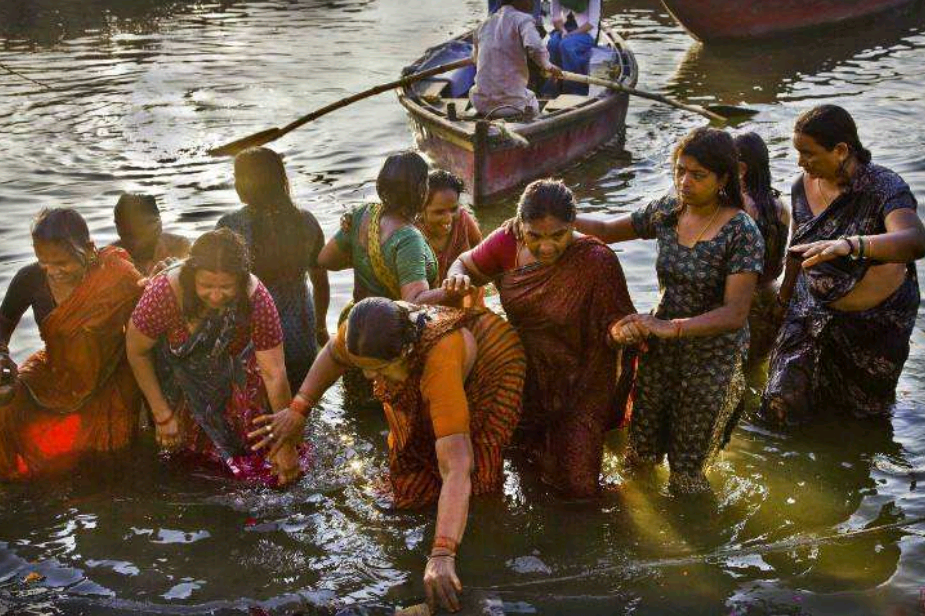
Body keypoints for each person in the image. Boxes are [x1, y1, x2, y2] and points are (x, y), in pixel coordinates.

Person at [249, 297, 525, 613]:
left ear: (405, 352)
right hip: (420, 364)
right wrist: (299, 408)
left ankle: (479, 564)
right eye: (363, 367)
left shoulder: (440, 359)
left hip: (491, 362)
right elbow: (333, 354)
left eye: (376, 370)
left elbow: (457, 466)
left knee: (476, 476)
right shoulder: (365, 328)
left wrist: (443, 553)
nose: (368, 379)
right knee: (409, 476)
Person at [577, 127, 765, 493]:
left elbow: (735, 313)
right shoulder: (668, 210)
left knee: (686, 472)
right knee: (640, 455)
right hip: (660, 352)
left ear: (723, 178)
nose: (685, 182)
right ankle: (637, 537)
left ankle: (699, 542)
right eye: (680, 171)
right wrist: (554, 219)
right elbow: (605, 229)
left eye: (698, 175)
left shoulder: (742, 232)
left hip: (713, 359)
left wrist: (673, 327)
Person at [444, 179, 636, 496]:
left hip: (583, 380)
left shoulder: (596, 260)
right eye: (535, 236)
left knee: (578, 486)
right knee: (525, 464)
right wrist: (457, 277)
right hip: (526, 374)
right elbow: (465, 262)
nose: (546, 247)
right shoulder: (507, 241)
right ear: (521, 226)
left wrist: (620, 330)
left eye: (558, 236)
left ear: (573, 225)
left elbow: (616, 321)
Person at [762, 105, 925, 421]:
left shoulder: (884, 188)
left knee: (859, 418)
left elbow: (915, 240)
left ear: (840, 150)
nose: (800, 162)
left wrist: (849, 245)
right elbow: (797, 248)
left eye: (808, 153)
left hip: (873, 328)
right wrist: (782, 302)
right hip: (808, 313)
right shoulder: (802, 185)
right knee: (781, 405)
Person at [125, 229, 303, 487]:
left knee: (250, 451)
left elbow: (274, 373)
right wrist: (161, 413)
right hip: (174, 372)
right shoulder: (165, 292)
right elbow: (136, 350)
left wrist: (285, 443)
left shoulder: (257, 298)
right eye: (206, 286)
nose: (216, 296)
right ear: (191, 276)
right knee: (181, 458)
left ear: (240, 281)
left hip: (230, 367)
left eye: (226, 287)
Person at [0, 208, 142, 480]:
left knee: (106, 464)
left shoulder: (118, 275)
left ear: (88, 249)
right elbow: (3, 325)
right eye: (44, 262)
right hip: (55, 373)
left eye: (61, 263)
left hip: (107, 379)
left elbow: (150, 325)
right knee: (5, 413)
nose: (52, 272)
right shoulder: (30, 279)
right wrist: (2, 355)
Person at [216, 147, 330, 392]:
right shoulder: (306, 221)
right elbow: (320, 281)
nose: (234, 183)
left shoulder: (229, 226)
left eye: (237, 177)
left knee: (257, 410)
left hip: (256, 336)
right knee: (301, 407)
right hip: (300, 331)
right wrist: (320, 328)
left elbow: (218, 287)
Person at [733, 132, 791, 371]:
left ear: (741, 168)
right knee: (757, 369)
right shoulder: (781, 206)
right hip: (770, 296)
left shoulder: (736, 206)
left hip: (740, 300)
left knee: (733, 373)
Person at [470, 0, 563, 119]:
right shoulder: (523, 20)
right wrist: (548, 66)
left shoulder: (483, 24)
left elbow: (475, 59)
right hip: (513, 106)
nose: (534, 3)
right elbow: (534, 46)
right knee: (532, 100)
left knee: (474, 90)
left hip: (481, 104)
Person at [415, 170, 484, 308]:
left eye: (453, 209)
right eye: (439, 212)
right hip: (428, 309)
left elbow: (483, 254)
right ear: (421, 209)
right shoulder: (412, 236)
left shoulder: (463, 220)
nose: (448, 219)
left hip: (464, 300)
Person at [112, 193, 190, 275]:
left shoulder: (177, 246)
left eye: (141, 233)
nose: (135, 244)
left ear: (159, 224)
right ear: (118, 228)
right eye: (127, 236)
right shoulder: (109, 258)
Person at [545, 0, 602, 95]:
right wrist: (563, 31)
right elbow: (556, 19)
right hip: (564, 29)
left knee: (567, 45)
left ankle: (575, 90)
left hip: (587, 33)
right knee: (553, 44)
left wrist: (571, 34)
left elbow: (592, 23)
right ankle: (554, 86)